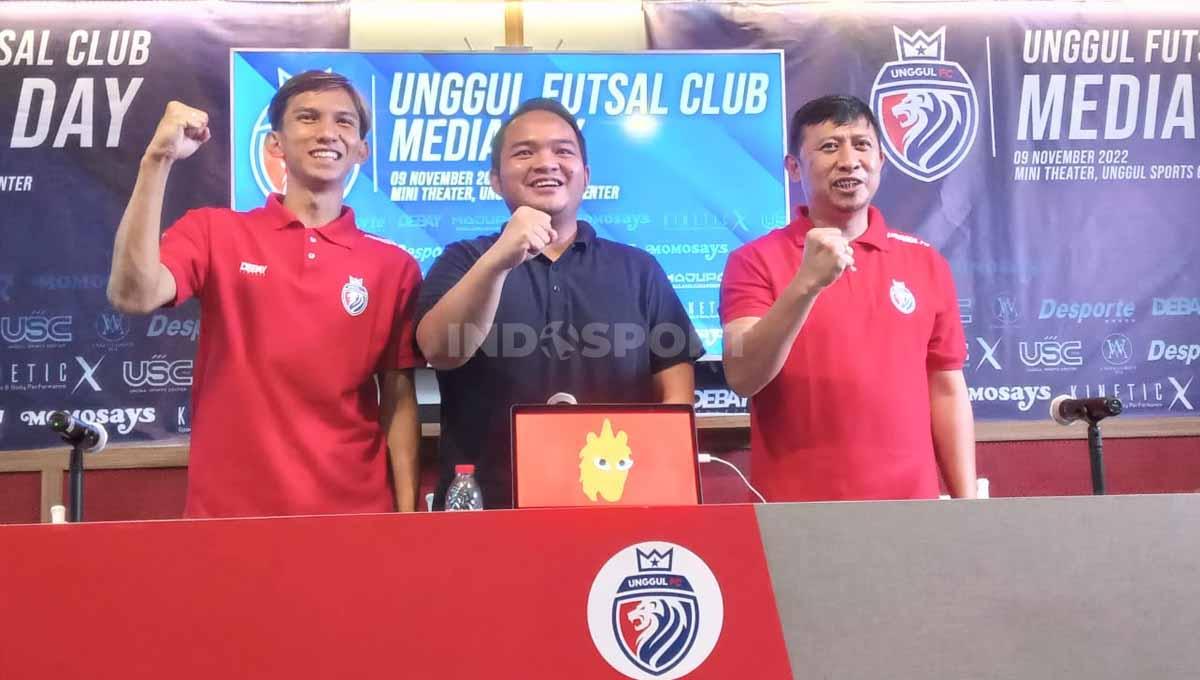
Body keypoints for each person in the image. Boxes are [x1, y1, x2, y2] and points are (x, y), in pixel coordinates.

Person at [106, 71, 423, 517]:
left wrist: (408, 517)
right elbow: (133, 295)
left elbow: (399, 399)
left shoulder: (394, 266)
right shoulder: (214, 232)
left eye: (344, 122)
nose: (327, 132)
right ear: (275, 143)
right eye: (307, 118)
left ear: (361, 150)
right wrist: (157, 159)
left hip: (356, 516)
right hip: (230, 516)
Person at [416, 98, 703, 509]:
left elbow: (676, 395)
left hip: (615, 502)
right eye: (524, 152)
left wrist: (659, 481)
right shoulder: (463, 260)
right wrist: (498, 260)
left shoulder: (638, 269)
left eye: (563, 151)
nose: (546, 163)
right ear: (495, 180)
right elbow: (440, 350)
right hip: (489, 507)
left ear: (586, 175)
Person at [719, 94, 975, 502]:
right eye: (829, 146)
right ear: (793, 167)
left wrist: (968, 506)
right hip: (794, 513)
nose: (849, 161)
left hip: (912, 510)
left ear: (881, 160)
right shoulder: (753, 261)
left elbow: (946, 388)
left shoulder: (926, 262)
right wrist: (806, 283)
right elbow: (742, 376)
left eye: (861, 145)